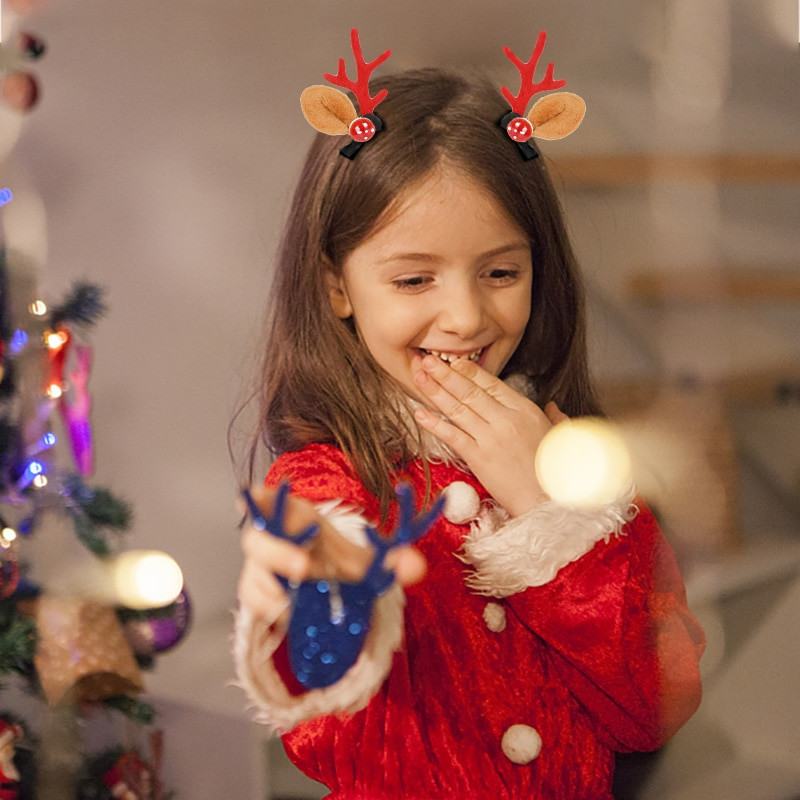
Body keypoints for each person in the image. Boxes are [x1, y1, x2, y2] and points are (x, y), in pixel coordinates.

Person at [233, 51, 705, 800]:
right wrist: (331, 609)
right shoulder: (325, 484)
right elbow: (319, 729)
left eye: (500, 273)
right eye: (414, 278)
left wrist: (555, 518)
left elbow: (653, 711)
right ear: (336, 288)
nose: (466, 317)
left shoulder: (579, 466)